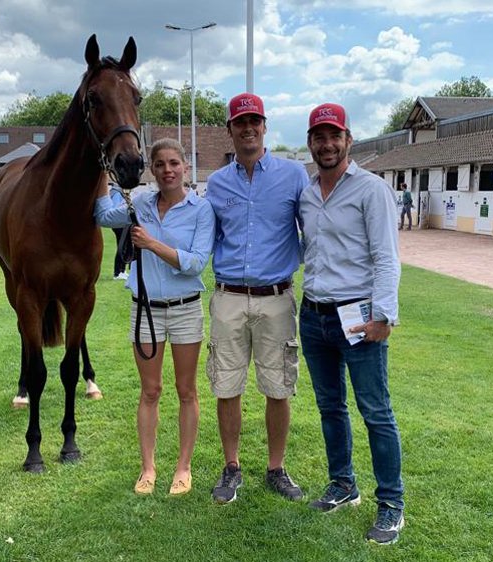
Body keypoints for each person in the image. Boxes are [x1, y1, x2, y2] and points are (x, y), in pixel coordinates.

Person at [298, 103, 405, 545]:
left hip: (359, 318)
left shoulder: (371, 189)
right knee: (330, 407)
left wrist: (384, 315)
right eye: (319, 137)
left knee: (376, 412)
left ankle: (391, 503)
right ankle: (343, 484)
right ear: (310, 143)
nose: (327, 144)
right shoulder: (306, 194)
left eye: (334, 136)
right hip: (314, 316)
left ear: (348, 139)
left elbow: (387, 257)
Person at [94, 138, 215, 496]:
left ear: (186, 167)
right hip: (146, 310)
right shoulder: (141, 203)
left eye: (174, 163)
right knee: (150, 391)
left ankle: (183, 467)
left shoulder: (201, 210)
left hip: (185, 309)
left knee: (186, 390)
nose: (167, 170)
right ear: (151, 169)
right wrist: (102, 172)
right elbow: (103, 216)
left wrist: (151, 244)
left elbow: (195, 263)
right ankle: (148, 468)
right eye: (160, 164)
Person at [204, 93, 309, 504]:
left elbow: (312, 229)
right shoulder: (217, 183)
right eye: (240, 122)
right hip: (229, 297)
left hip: (276, 298)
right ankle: (231, 467)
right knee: (226, 385)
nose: (248, 128)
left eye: (254, 121)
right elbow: (206, 237)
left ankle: (276, 468)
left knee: (277, 385)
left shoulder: (293, 175)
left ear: (265, 126)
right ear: (230, 130)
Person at [107, 183, 129, 280]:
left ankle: (122, 270)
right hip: (119, 224)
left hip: (122, 223)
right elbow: (116, 208)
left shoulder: (118, 192)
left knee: (125, 247)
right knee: (122, 247)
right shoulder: (117, 193)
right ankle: (118, 272)